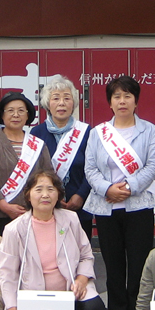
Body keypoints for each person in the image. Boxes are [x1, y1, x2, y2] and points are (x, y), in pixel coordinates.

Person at [0, 171, 107, 310]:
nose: (45, 195)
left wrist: (82, 279)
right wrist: (12, 309)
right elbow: (8, 275)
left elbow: (86, 255)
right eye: (38, 189)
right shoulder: (15, 229)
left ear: (58, 194)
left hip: (71, 290)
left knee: (96, 309)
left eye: (51, 189)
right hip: (38, 298)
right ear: (28, 195)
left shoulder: (70, 219)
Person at [84, 75, 155, 310]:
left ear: (136, 100)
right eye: (116, 96)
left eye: (127, 96)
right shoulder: (98, 133)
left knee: (139, 268)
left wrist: (129, 188)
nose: (122, 101)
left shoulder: (149, 130)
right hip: (106, 208)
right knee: (114, 268)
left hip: (138, 207)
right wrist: (108, 189)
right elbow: (90, 168)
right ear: (110, 102)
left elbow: (153, 166)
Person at [0, 93, 52, 236]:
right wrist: (4, 206)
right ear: (2, 115)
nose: (16, 115)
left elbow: (49, 176)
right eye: (10, 110)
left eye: (21, 111)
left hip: (33, 213)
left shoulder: (37, 144)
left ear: (27, 115)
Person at [30, 75, 93, 241]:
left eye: (67, 98)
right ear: (47, 104)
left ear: (73, 103)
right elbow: (33, 171)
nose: (62, 103)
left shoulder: (86, 133)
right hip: (46, 205)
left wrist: (80, 195)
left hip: (79, 206)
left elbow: (93, 168)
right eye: (56, 98)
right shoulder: (37, 133)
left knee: (80, 255)